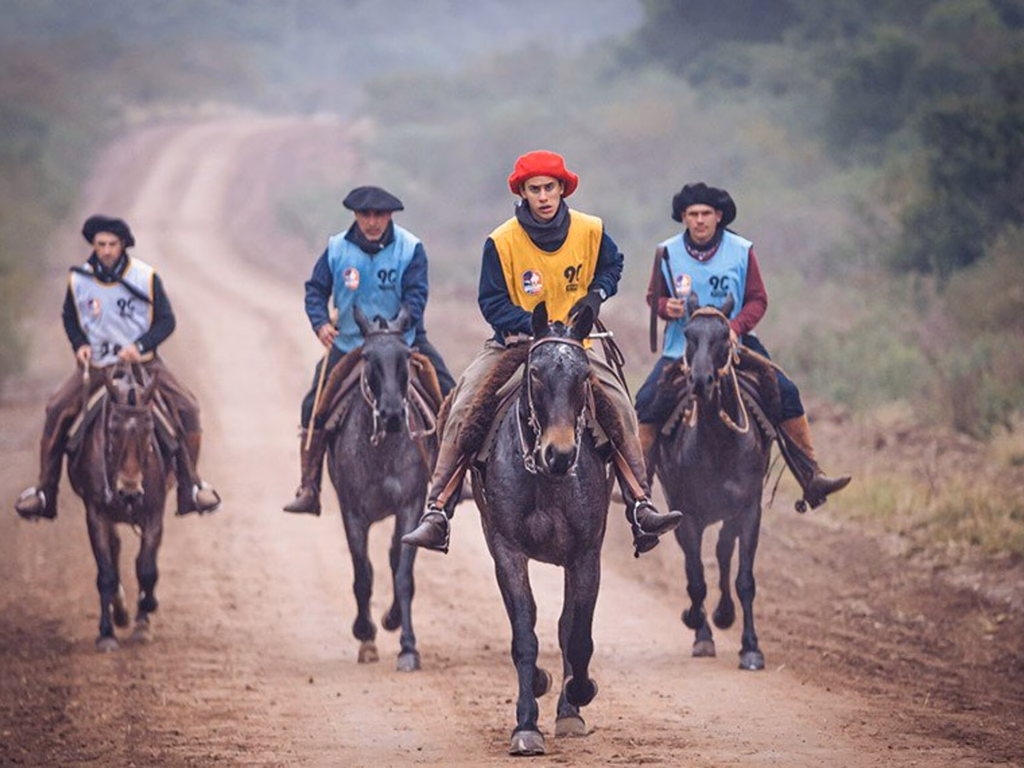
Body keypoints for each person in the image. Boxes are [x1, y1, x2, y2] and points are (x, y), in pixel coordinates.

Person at [402, 150, 683, 554]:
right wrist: (530, 324)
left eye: (550, 187)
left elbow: (613, 266)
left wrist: (596, 295)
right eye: (535, 189)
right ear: (523, 193)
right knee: (463, 404)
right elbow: (491, 301)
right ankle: (438, 510)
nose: (544, 196)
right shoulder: (500, 241)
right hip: (517, 344)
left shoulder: (591, 229)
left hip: (575, 345)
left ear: (562, 188)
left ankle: (640, 505)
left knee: (620, 405)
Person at [635, 182, 851, 508]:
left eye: (706, 213)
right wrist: (668, 307)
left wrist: (735, 328)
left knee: (786, 392)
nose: (700, 220)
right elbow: (654, 297)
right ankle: (639, 488)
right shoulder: (666, 252)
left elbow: (757, 299)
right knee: (646, 401)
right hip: (683, 348)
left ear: (719, 216)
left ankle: (811, 476)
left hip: (733, 346)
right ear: (684, 218)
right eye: (693, 214)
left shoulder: (741, 250)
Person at [14, 215, 221, 520]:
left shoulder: (145, 276)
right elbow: (70, 317)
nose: (107, 250)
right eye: (101, 244)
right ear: (94, 245)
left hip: (144, 365)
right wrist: (79, 344)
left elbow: (166, 321)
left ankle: (190, 488)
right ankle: (45, 491)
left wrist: (140, 346)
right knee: (56, 408)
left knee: (188, 407)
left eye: (112, 244)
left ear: (123, 245)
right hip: (98, 366)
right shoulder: (79, 280)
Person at [283, 185, 455, 515]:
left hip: (404, 343)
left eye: (380, 215)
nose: (372, 221)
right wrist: (320, 323)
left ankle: (451, 479)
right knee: (312, 405)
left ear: (390, 216)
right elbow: (315, 290)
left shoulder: (410, 248)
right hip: (352, 344)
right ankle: (309, 485)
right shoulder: (337, 249)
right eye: (366, 215)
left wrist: (400, 325)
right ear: (356, 215)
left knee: (448, 394)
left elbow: (416, 295)